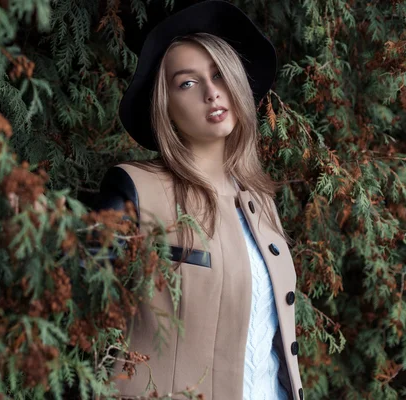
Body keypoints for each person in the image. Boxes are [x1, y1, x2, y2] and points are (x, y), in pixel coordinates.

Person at [95, 1, 304, 399]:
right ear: (165, 105)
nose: (212, 93)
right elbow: (84, 314)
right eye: (187, 83)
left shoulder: (259, 201)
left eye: (220, 75)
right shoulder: (136, 190)